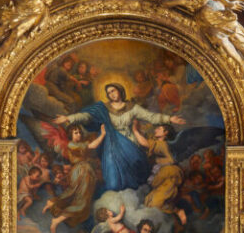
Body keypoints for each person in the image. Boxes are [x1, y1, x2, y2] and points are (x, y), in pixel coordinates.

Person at [55, 82, 185, 193]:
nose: (111, 94)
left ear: (120, 91)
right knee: (113, 176)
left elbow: (151, 116)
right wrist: (69, 118)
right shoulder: (103, 108)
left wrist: (169, 119)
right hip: (111, 145)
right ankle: (115, 193)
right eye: (108, 92)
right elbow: (86, 116)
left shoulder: (132, 108)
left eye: (113, 90)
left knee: (137, 166)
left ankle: (133, 194)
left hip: (130, 142)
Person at [42, 122, 106, 233]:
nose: (79, 135)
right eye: (76, 133)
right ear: (70, 135)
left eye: (80, 132)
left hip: (83, 171)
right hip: (82, 172)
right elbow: (93, 145)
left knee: (72, 194)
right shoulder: (72, 145)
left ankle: (51, 204)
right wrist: (103, 135)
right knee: (81, 202)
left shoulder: (78, 144)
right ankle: (57, 220)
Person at [131, 121, 186, 226]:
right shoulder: (157, 142)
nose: (156, 130)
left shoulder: (161, 144)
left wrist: (135, 130)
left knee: (155, 203)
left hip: (170, 175)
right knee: (148, 202)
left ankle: (178, 211)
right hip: (162, 176)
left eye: (159, 129)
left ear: (165, 133)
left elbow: (144, 143)